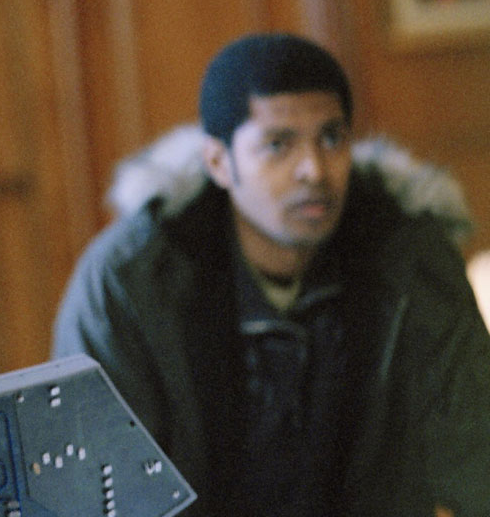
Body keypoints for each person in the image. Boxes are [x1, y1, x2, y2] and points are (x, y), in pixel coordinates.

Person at [53, 33, 490, 517]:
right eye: (278, 145)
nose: (314, 171)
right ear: (219, 162)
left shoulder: (409, 259)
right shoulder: (130, 281)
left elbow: (478, 460)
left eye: (332, 138)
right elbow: (96, 496)